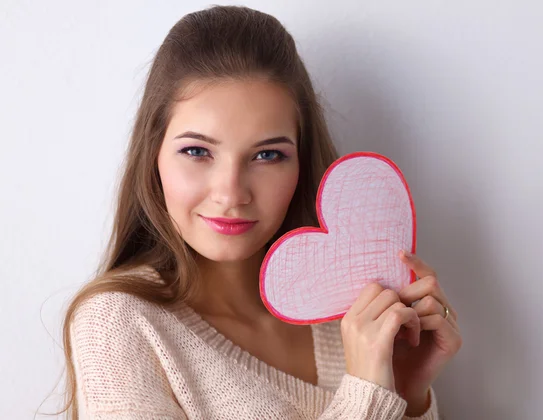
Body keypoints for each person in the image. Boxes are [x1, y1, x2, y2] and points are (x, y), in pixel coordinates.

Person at [58, 5, 462, 419]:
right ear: (154, 157)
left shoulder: (354, 311)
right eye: (196, 151)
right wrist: (369, 397)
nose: (231, 193)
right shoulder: (117, 323)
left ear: (300, 163)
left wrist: (408, 394)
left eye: (267, 155)